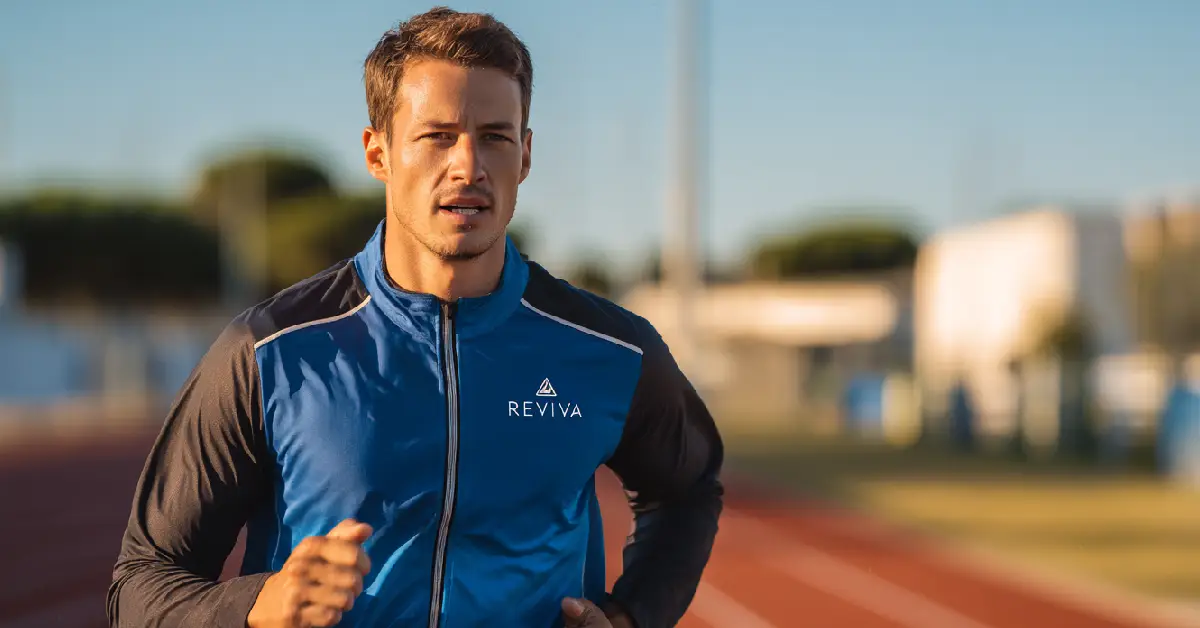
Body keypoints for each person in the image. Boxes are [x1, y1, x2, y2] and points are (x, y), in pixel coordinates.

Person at [106, 6, 723, 628]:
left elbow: (688, 490)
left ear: (526, 155)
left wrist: (630, 617)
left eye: (495, 136)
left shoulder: (610, 350)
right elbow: (141, 582)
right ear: (379, 153)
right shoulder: (270, 351)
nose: (468, 167)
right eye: (437, 136)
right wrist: (257, 606)